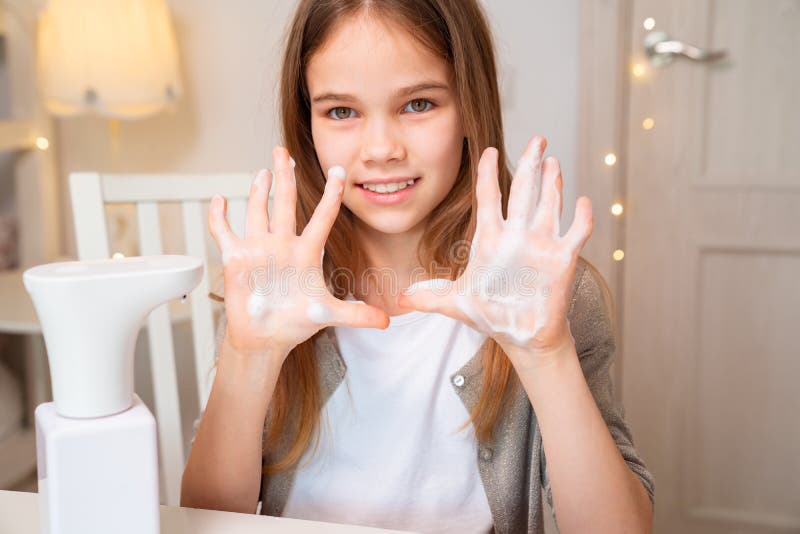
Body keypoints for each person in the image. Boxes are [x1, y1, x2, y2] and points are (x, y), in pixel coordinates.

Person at [181, 1, 654, 532]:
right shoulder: (276, 284)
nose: (381, 149)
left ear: (471, 106)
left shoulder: (546, 290)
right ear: (305, 123)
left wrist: (546, 354)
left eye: (419, 104)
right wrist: (249, 356)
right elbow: (205, 517)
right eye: (341, 111)